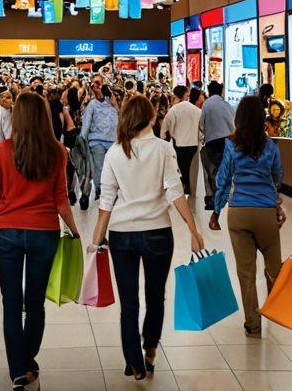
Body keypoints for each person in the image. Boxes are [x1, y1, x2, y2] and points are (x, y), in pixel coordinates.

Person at [0, 92, 81, 390]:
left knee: (11, 304)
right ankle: (27, 358)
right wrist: (74, 230)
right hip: (44, 233)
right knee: (34, 304)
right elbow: (61, 199)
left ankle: (18, 369)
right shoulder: (57, 152)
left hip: (6, 233)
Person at [92, 94, 204, 380]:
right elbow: (175, 191)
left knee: (129, 302)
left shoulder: (115, 152)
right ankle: (150, 348)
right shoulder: (164, 149)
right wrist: (193, 230)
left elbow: (106, 200)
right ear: (152, 117)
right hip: (157, 234)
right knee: (156, 297)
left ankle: (134, 362)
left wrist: (96, 239)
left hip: (122, 235)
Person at [208, 95, 283, 338]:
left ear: (238, 118)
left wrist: (216, 211)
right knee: (273, 267)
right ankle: (274, 311)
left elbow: (224, 179)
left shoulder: (231, 145)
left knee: (246, 272)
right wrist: (274, 200)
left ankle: (253, 323)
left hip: (239, 213)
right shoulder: (270, 146)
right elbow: (277, 177)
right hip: (265, 214)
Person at [199, 81, 235, 210]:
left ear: (209, 91)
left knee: (211, 170)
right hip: (227, 141)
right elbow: (233, 124)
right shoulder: (227, 105)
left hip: (212, 142)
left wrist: (205, 134)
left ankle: (213, 198)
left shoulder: (206, 105)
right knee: (224, 170)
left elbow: (201, 124)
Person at [79, 85, 118, 201]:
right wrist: (82, 138)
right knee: (99, 166)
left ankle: (108, 189)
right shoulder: (92, 105)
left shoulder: (112, 104)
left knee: (110, 167)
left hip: (112, 140)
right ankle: (99, 189)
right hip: (96, 141)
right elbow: (86, 123)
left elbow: (118, 119)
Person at [160, 85, 201, 196]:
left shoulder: (174, 110)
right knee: (191, 167)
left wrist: (163, 139)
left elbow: (165, 127)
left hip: (179, 144)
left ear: (176, 95)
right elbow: (202, 128)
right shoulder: (197, 110)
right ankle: (190, 187)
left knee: (181, 166)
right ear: (186, 95)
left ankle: (184, 186)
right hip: (193, 143)